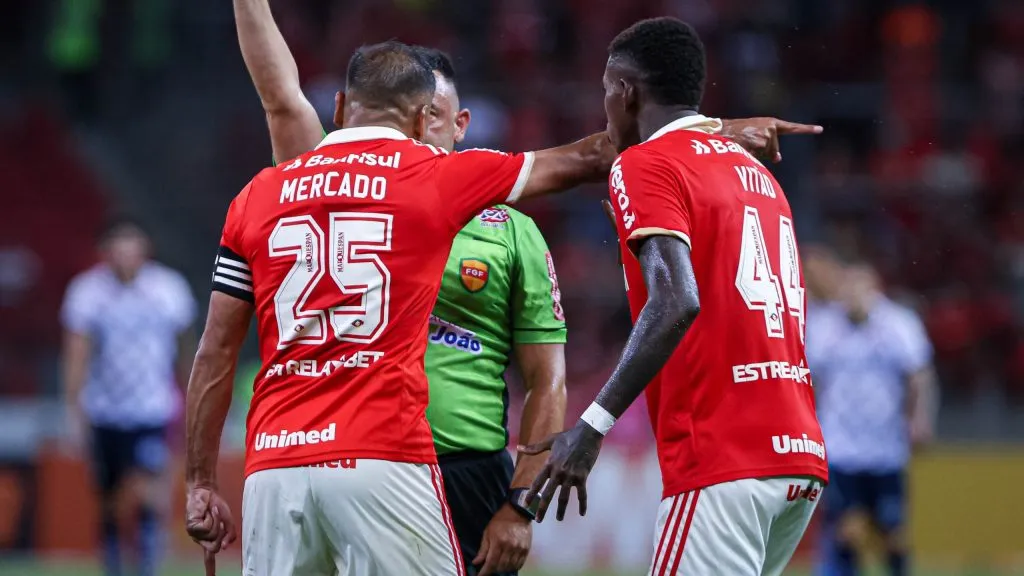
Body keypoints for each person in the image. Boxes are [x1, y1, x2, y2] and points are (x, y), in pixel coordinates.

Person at [227, 2, 821, 573]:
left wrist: (519, 505)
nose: (422, 122)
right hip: (371, 457)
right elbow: (281, 97)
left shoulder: (508, 224)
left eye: (438, 111)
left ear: (461, 125)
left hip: (465, 468)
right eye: (416, 107)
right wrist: (714, 132)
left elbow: (546, 377)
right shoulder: (329, 188)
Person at [183, 39, 619, 576]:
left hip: (275, 466)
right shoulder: (429, 175)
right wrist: (715, 136)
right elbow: (589, 157)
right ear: (420, 118)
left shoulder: (258, 194)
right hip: (381, 454)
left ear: (340, 108)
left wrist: (200, 482)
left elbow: (214, 353)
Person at [522, 17, 828, 576]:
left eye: (605, 92)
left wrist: (591, 428)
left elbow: (677, 299)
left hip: (721, 456)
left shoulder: (645, 163)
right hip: (796, 453)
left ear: (625, 91)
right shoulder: (757, 175)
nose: (605, 107)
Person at [60, 217, 197, 576]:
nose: (125, 255)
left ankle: (147, 564)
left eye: (131, 245)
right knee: (109, 496)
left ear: (144, 250)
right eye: (117, 247)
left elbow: (187, 346)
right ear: (104, 253)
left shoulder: (169, 289)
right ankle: (114, 562)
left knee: (149, 488)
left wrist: (192, 393)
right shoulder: (86, 292)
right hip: (104, 409)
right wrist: (74, 410)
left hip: (152, 406)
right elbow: (77, 353)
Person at [805, 261, 937, 576]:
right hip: (840, 446)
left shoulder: (899, 325)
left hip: (886, 446)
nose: (851, 296)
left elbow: (919, 376)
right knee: (847, 529)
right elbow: (812, 380)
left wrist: (919, 419)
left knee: (894, 532)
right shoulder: (824, 327)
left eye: (858, 288)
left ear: (874, 290)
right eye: (846, 289)